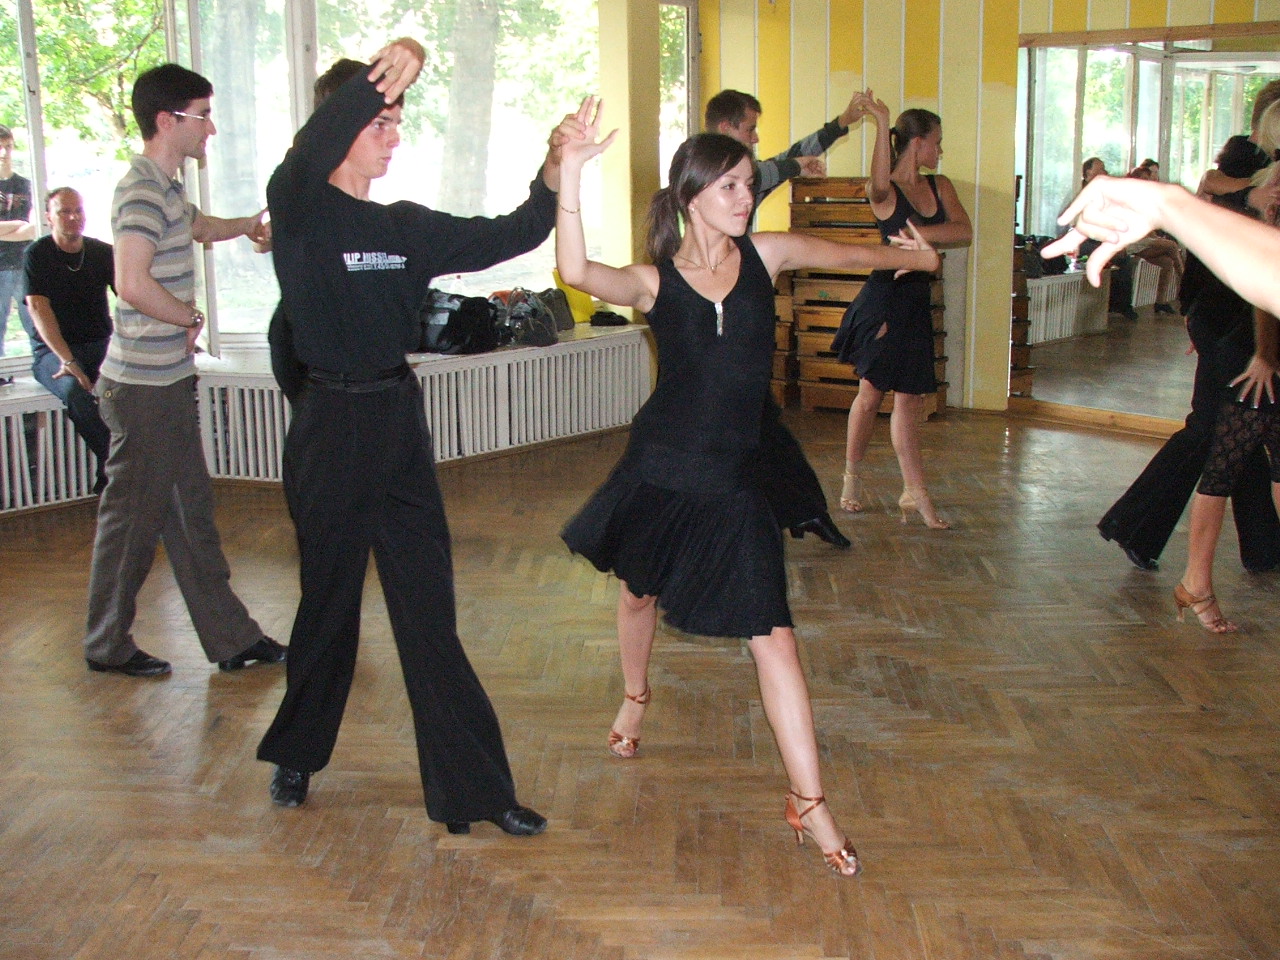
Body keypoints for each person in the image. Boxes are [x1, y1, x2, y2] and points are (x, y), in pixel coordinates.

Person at [556, 99, 939, 877]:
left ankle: (811, 800)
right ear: (691, 197)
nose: (744, 196)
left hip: (735, 478)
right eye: (729, 186)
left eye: (747, 185)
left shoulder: (768, 253)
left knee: (776, 637)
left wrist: (918, 261)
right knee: (638, 595)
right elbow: (577, 272)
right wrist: (569, 175)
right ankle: (636, 695)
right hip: (661, 468)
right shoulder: (656, 282)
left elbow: (852, 255)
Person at [255, 40, 557, 838]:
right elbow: (311, 147)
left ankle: (477, 793)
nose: (394, 137)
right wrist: (381, 75)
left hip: (396, 423)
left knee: (429, 616)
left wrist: (554, 172)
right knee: (328, 606)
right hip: (328, 426)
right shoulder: (299, 205)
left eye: (397, 122)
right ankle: (298, 752)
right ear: (339, 120)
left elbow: (516, 231)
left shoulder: (405, 227)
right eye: (380, 123)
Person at [83, 63, 285, 679]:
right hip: (141, 389)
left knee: (188, 514)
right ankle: (106, 644)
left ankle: (231, 639)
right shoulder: (141, 191)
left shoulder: (166, 189)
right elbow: (130, 281)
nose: (211, 128)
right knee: (131, 524)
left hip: (163, 384)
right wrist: (188, 316)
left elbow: (199, 227)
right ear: (167, 120)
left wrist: (249, 225)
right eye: (203, 115)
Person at [1071, 94, 1280, 573]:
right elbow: (1213, 197)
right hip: (1233, 323)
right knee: (1213, 428)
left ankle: (1263, 548)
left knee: (1246, 427)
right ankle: (1136, 527)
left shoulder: (1255, 169)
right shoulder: (1247, 162)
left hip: (1230, 319)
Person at [704, 88, 866, 551]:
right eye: (749, 129)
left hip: (736, 319)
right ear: (725, 129)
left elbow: (780, 161)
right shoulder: (702, 176)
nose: (755, 138)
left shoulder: (739, 178)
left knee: (762, 426)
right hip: (707, 324)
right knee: (745, 429)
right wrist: (796, 164)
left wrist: (840, 124)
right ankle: (786, 515)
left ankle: (800, 512)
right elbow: (773, 168)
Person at [832, 93, 971, 528]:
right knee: (871, 394)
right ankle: (851, 478)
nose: (940, 150)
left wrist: (917, 235)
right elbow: (876, 185)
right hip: (884, 301)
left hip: (915, 301)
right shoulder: (886, 191)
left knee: (910, 399)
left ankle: (915, 491)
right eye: (937, 142)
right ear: (918, 142)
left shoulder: (940, 185)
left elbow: (964, 229)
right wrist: (881, 122)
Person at [1173, 305, 1280, 633]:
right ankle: (1195, 583)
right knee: (1224, 466)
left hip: (1259, 354)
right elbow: (1266, 291)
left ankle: (1195, 584)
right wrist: (1265, 354)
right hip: (1256, 360)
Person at [22, 187, 113, 492]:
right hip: (52, 352)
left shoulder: (102, 253)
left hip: (99, 346)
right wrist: (68, 361)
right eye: (64, 211)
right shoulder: (37, 255)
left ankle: (113, 472)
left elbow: (131, 297)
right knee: (75, 391)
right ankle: (116, 465)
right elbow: (38, 309)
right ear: (49, 217)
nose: (74, 217)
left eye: (78, 210)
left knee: (133, 389)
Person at [0, 124, 35, 371]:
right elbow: (23, 226)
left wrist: (12, 229)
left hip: (24, 262)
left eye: (8, 146)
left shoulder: (24, 184)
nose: (4, 152)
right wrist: (18, 226)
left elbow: (33, 228)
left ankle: (43, 367)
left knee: (34, 320)